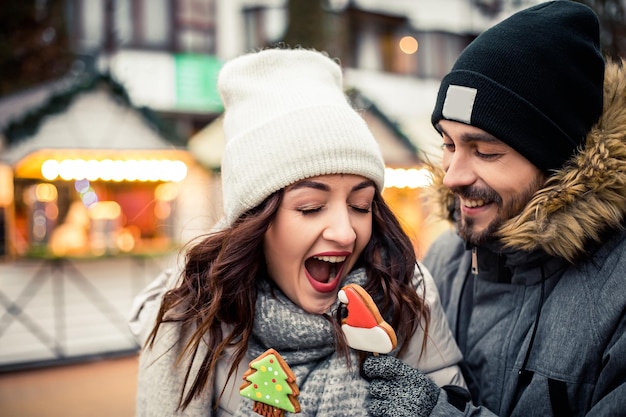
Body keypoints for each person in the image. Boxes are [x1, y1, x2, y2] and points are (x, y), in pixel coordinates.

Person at [133, 47, 466, 417]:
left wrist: (432, 408)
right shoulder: (198, 325)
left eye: (360, 206)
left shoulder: (406, 298)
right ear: (254, 220)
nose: (345, 233)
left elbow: (452, 392)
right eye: (310, 207)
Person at [362, 1, 626, 416]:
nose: (452, 176)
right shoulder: (445, 259)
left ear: (561, 159)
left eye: (484, 151)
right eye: (448, 144)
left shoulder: (618, 295)